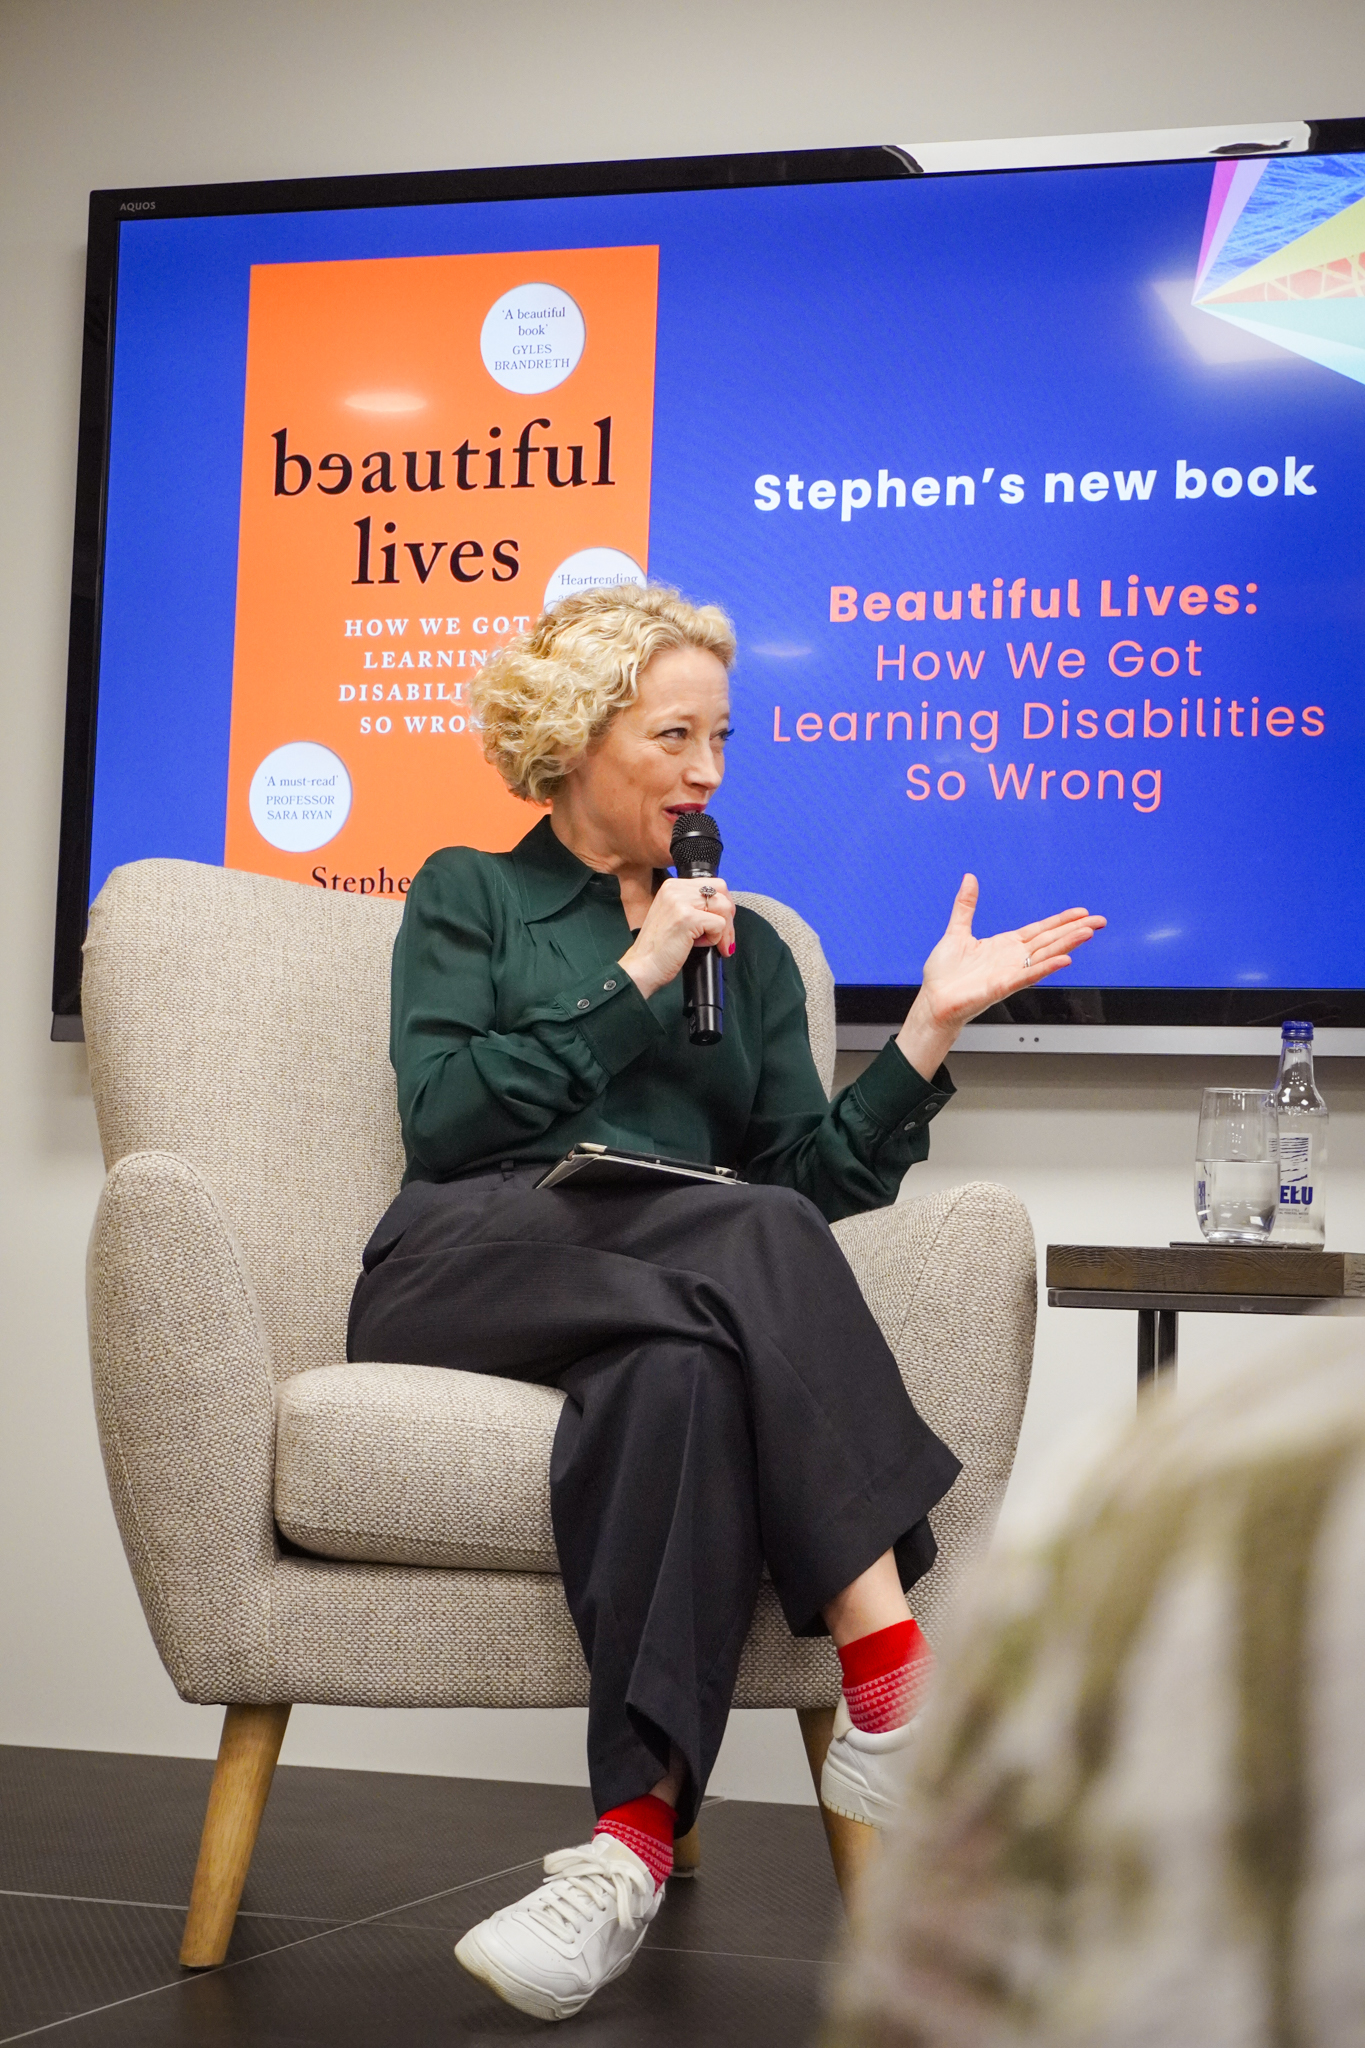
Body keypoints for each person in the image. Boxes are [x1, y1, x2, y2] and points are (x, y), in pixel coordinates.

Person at [347, 584, 1104, 2023]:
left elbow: (797, 1195)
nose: (707, 776)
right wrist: (637, 974)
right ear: (576, 738)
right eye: (673, 736)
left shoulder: (742, 944)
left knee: (686, 1372)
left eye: (722, 741)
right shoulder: (471, 893)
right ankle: (890, 1665)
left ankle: (619, 1859)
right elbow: (443, 1120)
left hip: (663, 1300)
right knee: (723, 1254)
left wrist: (925, 1037)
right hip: (465, 1262)